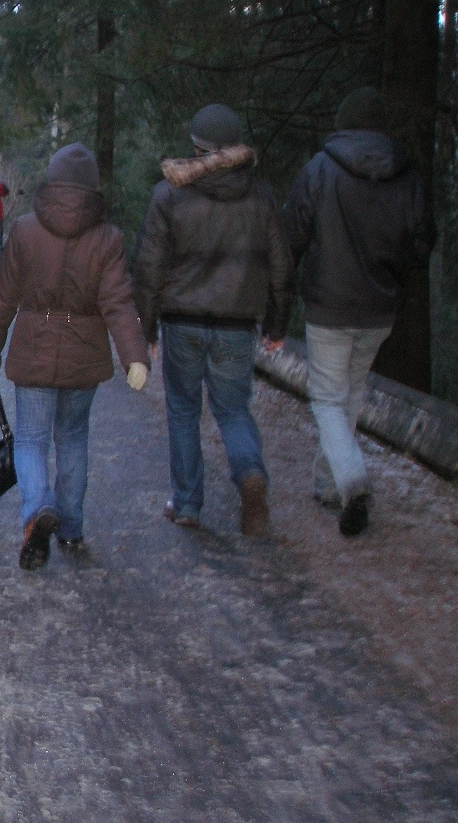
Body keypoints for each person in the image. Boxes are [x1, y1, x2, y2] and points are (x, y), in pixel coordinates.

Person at [0, 143, 149, 569]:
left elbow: (2, 300)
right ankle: (71, 528)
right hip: (85, 355)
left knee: (30, 440)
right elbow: (119, 301)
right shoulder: (109, 238)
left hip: (34, 349)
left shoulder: (26, 231)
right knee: (74, 439)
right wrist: (133, 356)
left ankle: (36, 510)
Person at [132, 103, 294, 536]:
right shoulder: (261, 196)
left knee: (183, 411)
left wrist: (145, 331)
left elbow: (148, 269)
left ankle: (186, 503)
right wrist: (277, 326)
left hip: (181, 321)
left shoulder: (167, 195)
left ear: (196, 145)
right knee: (234, 410)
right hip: (237, 323)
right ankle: (250, 475)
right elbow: (282, 266)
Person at [282, 87, 431, 537]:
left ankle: (350, 480)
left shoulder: (320, 170)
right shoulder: (407, 176)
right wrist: (394, 276)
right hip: (380, 308)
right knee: (351, 391)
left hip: (329, 304)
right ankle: (330, 485)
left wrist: (285, 284)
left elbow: (292, 234)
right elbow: (423, 240)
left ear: (344, 123)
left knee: (327, 397)